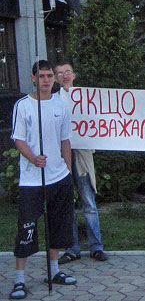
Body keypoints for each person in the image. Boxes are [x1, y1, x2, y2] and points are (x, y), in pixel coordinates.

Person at [9, 61, 77, 300]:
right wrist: (33, 158)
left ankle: (54, 270)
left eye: (49, 76)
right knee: (27, 227)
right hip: (32, 180)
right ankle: (19, 279)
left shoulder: (60, 105)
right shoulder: (23, 105)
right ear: (33, 78)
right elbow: (18, 139)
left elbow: (65, 140)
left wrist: (68, 171)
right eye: (42, 76)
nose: (46, 80)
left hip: (58, 177)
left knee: (57, 225)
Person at [54, 61, 108, 264]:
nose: (65, 76)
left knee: (88, 202)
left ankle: (96, 247)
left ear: (74, 75)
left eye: (67, 72)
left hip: (82, 156)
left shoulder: (87, 99)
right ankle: (72, 248)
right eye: (60, 73)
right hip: (62, 158)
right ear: (56, 78)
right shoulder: (53, 101)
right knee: (67, 204)